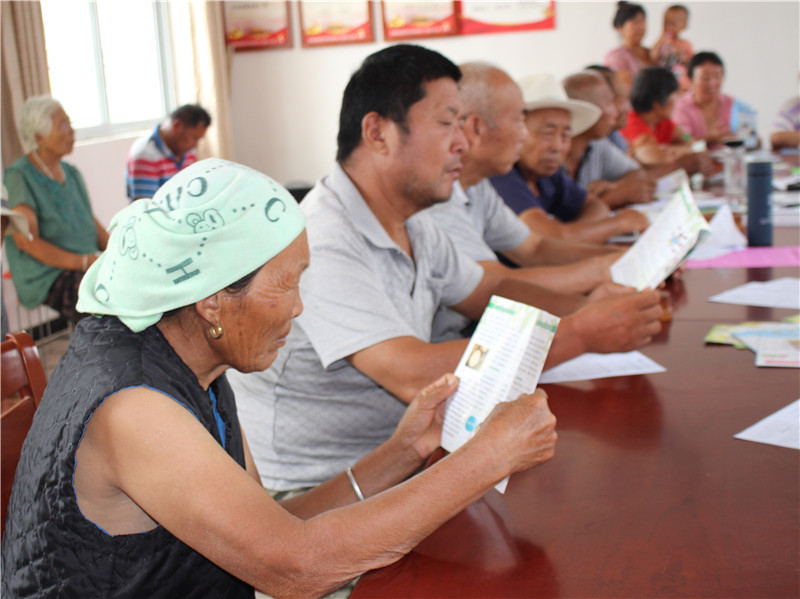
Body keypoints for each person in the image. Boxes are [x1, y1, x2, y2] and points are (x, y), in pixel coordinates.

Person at [1, 158, 560, 598]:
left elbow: (270, 528)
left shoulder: (193, 358)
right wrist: (485, 459)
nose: (297, 307)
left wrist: (403, 450)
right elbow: (296, 568)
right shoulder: (134, 406)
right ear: (215, 298)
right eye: (286, 283)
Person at [229, 45, 662, 493]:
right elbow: (412, 373)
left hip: (410, 458)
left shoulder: (413, 222)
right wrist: (581, 331)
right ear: (378, 133)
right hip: (323, 493)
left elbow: (491, 288)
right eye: (446, 123)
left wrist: (589, 308)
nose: (462, 142)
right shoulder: (323, 238)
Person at [425, 63, 631, 341]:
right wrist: (601, 273)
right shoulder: (437, 197)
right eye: (519, 121)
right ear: (476, 127)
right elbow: (492, 285)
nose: (523, 136)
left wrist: (616, 258)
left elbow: (535, 247)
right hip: (459, 343)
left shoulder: (477, 186)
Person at [489, 73, 650, 244]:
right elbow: (547, 243)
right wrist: (617, 224)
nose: (557, 146)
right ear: (518, 131)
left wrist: (573, 233)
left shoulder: (546, 176)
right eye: (547, 133)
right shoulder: (502, 175)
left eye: (565, 135)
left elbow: (596, 207)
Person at [3, 95, 109, 323]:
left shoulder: (71, 173)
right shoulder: (19, 176)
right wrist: (84, 261)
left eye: (70, 123)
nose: (72, 131)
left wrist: (120, 250)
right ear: (38, 137)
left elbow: (89, 220)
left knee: (130, 279)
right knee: (105, 299)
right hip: (47, 273)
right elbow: (26, 241)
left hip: (86, 263)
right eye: (62, 125)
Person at [562, 70, 654, 208]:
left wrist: (614, 186)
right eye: (609, 102)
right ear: (587, 110)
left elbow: (638, 173)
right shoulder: (552, 156)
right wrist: (614, 197)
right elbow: (561, 217)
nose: (616, 111)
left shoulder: (597, 144)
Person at [620, 66, 714, 176]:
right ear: (658, 102)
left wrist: (672, 149)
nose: (678, 100)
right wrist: (684, 151)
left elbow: (691, 140)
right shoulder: (633, 126)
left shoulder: (664, 122)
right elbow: (661, 161)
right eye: (675, 94)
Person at [126, 103, 211, 201]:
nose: (195, 145)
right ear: (177, 125)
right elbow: (146, 207)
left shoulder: (188, 152)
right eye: (194, 138)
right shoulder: (145, 155)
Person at [672, 51, 751, 147]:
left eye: (717, 77)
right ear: (691, 80)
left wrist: (752, 139)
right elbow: (685, 140)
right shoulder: (680, 108)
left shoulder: (732, 103)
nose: (712, 83)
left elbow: (749, 136)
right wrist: (710, 138)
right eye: (705, 78)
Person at [604, 1, 653, 89]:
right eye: (635, 22)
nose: (641, 26)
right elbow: (626, 89)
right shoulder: (616, 56)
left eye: (642, 20)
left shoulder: (653, 52)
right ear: (620, 27)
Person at [650, 5, 694, 91]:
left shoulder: (685, 44)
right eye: (666, 23)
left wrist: (680, 54)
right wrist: (660, 39)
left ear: (684, 25)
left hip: (681, 84)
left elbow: (691, 63)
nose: (669, 27)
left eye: (673, 24)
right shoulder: (661, 42)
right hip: (663, 83)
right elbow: (653, 57)